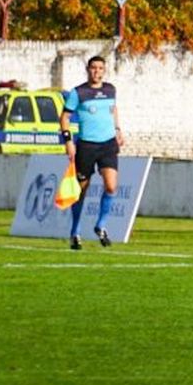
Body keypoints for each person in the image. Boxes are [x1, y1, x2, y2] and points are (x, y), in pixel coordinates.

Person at [60, 55, 125, 249]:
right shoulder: (78, 92)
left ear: (104, 71)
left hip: (108, 145)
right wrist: (68, 142)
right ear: (88, 70)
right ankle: (75, 232)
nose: (97, 72)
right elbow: (65, 117)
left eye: (100, 69)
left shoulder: (110, 90)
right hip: (87, 146)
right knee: (81, 190)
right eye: (93, 68)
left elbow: (113, 110)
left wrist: (118, 129)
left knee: (111, 186)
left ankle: (101, 225)